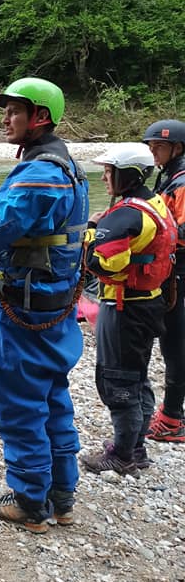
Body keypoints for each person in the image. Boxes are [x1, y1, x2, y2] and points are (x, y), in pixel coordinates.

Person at [0, 77, 88, 533]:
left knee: (19, 404)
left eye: (14, 110)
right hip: (55, 308)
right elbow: (32, 223)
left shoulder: (40, 172)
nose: (5, 118)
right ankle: (62, 497)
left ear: (41, 117)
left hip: (22, 313)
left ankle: (31, 501)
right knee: (52, 398)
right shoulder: (66, 166)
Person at [80, 144, 177, 475]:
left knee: (118, 380)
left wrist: (91, 231)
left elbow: (104, 263)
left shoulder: (126, 215)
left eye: (109, 172)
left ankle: (122, 454)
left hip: (124, 307)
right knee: (137, 376)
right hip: (149, 303)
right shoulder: (155, 203)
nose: (104, 178)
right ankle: (136, 446)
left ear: (129, 175)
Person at [142, 119, 185, 444]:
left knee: (175, 345)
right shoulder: (169, 175)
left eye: (159, 146)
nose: (153, 151)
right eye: (151, 146)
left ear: (177, 148)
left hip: (178, 275)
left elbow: (181, 230)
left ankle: (172, 418)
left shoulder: (181, 182)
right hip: (173, 272)